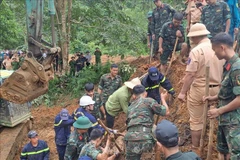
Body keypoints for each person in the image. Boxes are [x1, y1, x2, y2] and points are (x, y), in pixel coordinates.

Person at [178, 23, 225, 154]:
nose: (191, 40)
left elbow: (191, 74)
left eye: (192, 38)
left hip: (200, 89)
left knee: (196, 121)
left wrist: (182, 92)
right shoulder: (218, 48)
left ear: (196, 37)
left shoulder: (196, 51)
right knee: (216, 116)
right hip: (218, 89)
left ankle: (196, 148)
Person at [204, 32, 240, 160]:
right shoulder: (228, 65)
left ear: (222, 48)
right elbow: (229, 91)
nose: (215, 54)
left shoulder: (237, 68)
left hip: (234, 122)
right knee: (224, 151)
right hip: (226, 120)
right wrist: (215, 98)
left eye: (215, 50)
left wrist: (218, 111)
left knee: (236, 153)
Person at [124, 85, 169, 160]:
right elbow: (166, 112)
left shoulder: (130, 107)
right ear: (145, 93)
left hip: (130, 139)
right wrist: (163, 98)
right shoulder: (149, 101)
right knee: (158, 131)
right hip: (146, 138)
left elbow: (128, 124)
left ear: (134, 96)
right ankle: (158, 153)